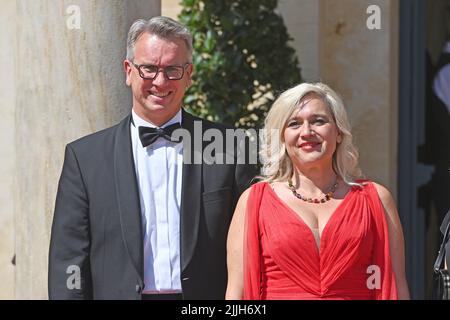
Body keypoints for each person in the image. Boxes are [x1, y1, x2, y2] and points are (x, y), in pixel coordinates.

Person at [48, 16, 256, 300]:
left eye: (172, 69)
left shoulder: (230, 147)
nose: (160, 81)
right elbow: (69, 260)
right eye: (148, 68)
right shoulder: (84, 158)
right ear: (128, 71)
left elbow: (253, 246)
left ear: (189, 75)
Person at [226, 82, 410, 300]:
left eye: (319, 121)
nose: (307, 132)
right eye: (294, 123)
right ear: (282, 137)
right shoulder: (253, 202)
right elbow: (236, 293)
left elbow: (395, 287)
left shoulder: (376, 199)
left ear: (339, 132)